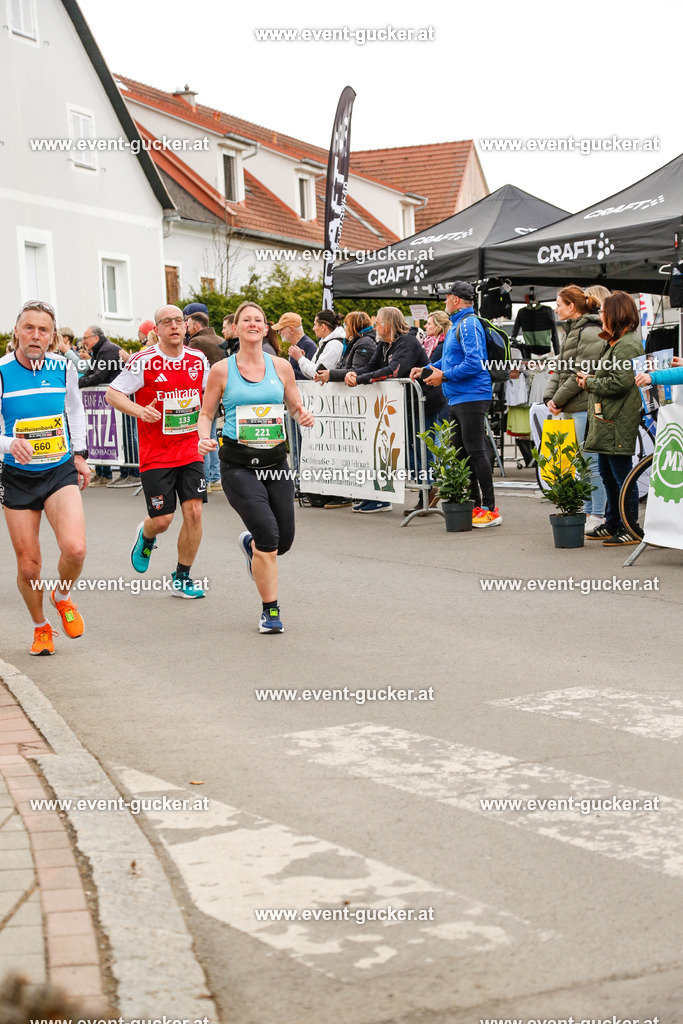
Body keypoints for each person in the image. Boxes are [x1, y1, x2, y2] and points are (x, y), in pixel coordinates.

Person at [197, 300, 314, 633]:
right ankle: (270, 611)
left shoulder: (281, 367)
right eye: (245, 319)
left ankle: (250, 546)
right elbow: (205, 413)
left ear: (265, 328)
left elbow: (294, 405)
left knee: (283, 541)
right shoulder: (221, 370)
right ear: (235, 328)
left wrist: (302, 414)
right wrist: (203, 438)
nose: (252, 324)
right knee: (269, 534)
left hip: (276, 461)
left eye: (258, 320)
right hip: (238, 465)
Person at [0, 300, 90, 655]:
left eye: (43, 330)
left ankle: (63, 596)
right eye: (28, 328)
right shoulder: (3, 372)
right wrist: (9, 444)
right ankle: (40, 626)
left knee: (76, 548)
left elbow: (75, 409)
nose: (35, 335)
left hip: (58, 470)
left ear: (52, 336)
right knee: (28, 566)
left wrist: (80, 454)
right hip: (17, 477)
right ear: (16, 332)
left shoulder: (62, 368)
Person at [105, 305, 210, 597]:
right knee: (163, 520)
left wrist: (208, 430)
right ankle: (147, 534)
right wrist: (140, 411)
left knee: (195, 512)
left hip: (190, 448)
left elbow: (210, 396)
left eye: (179, 321)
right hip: (157, 452)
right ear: (158, 330)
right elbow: (112, 394)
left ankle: (182, 577)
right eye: (168, 322)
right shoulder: (143, 361)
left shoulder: (198, 359)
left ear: (186, 326)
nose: (175, 326)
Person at [411, 282, 501, 528]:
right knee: (461, 452)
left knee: (475, 451)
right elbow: (450, 359)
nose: (444, 301)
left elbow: (475, 362)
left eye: (446, 297)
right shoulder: (458, 324)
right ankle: (474, 505)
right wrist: (427, 368)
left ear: (456, 300)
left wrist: (444, 376)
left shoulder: (469, 323)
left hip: (471, 395)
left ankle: (490, 509)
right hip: (459, 396)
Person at [349, 306, 445, 513]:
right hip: (407, 404)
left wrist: (360, 379)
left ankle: (428, 489)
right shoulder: (384, 344)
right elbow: (370, 368)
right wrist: (348, 375)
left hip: (425, 402)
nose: (375, 327)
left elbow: (394, 371)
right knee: (409, 449)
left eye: (378, 323)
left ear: (388, 325)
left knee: (421, 448)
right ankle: (426, 490)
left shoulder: (407, 342)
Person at [577, 292, 644, 546]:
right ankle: (613, 522)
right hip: (608, 417)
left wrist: (590, 381)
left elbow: (619, 383)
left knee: (622, 476)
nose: (600, 316)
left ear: (615, 314)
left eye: (603, 313)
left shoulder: (627, 344)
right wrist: (590, 379)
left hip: (618, 418)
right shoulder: (616, 342)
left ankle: (631, 527)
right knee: (607, 474)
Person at [544, 285, 607, 533]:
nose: (556, 309)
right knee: (582, 463)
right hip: (571, 406)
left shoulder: (589, 332)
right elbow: (560, 368)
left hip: (583, 407)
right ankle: (589, 511)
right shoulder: (570, 331)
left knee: (591, 463)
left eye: (559, 304)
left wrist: (557, 399)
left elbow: (580, 372)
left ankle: (598, 515)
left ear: (571, 306)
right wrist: (550, 396)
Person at [288, 310, 345, 379]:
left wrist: (300, 358)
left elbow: (319, 373)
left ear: (323, 327)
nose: (313, 329)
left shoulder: (334, 345)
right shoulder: (325, 343)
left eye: (315, 325)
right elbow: (311, 375)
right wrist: (301, 358)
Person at [272, 312, 317, 381]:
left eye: (281, 329)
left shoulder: (309, 345)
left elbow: (310, 376)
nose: (279, 332)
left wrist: (283, 370)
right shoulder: (298, 345)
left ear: (291, 329)